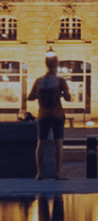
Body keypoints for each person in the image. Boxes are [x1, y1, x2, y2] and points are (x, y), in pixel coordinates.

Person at [29, 51, 71, 180]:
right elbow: (68, 98)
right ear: (56, 65)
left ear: (46, 65)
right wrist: (63, 94)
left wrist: (39, 96)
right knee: (58, 143)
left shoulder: (39, 80)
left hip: (43, 115)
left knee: (41, 143)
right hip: (57, 114)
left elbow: (30, 97)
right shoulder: (60, 80)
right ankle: (58, 173)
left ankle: (39, 173)